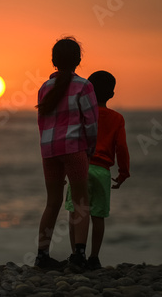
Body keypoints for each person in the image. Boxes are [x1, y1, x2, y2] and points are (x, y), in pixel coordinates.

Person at [35, 37, 98, 270]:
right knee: (82, 201)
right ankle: (79, 255)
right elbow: (91, 123)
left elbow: (41, 123)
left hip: (49, 150)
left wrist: (47, 149)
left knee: (52, 202)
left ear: (53, 61)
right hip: (74, 148)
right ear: (79, 60)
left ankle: (41, 255)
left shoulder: (44, 87)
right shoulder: (84, 86)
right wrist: (89, 151)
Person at [64, 70, 130, 270]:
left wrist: (65, 168)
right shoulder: (117, 118)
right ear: (111, 94)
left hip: (81, 166)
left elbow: (72, 141)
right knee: (98, 216)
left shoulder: (82, 115)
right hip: (102, 171)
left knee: (76, 212)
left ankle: (77, 254)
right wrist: (123, 172)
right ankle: (94, 257)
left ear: (88, 92)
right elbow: (122, 147)